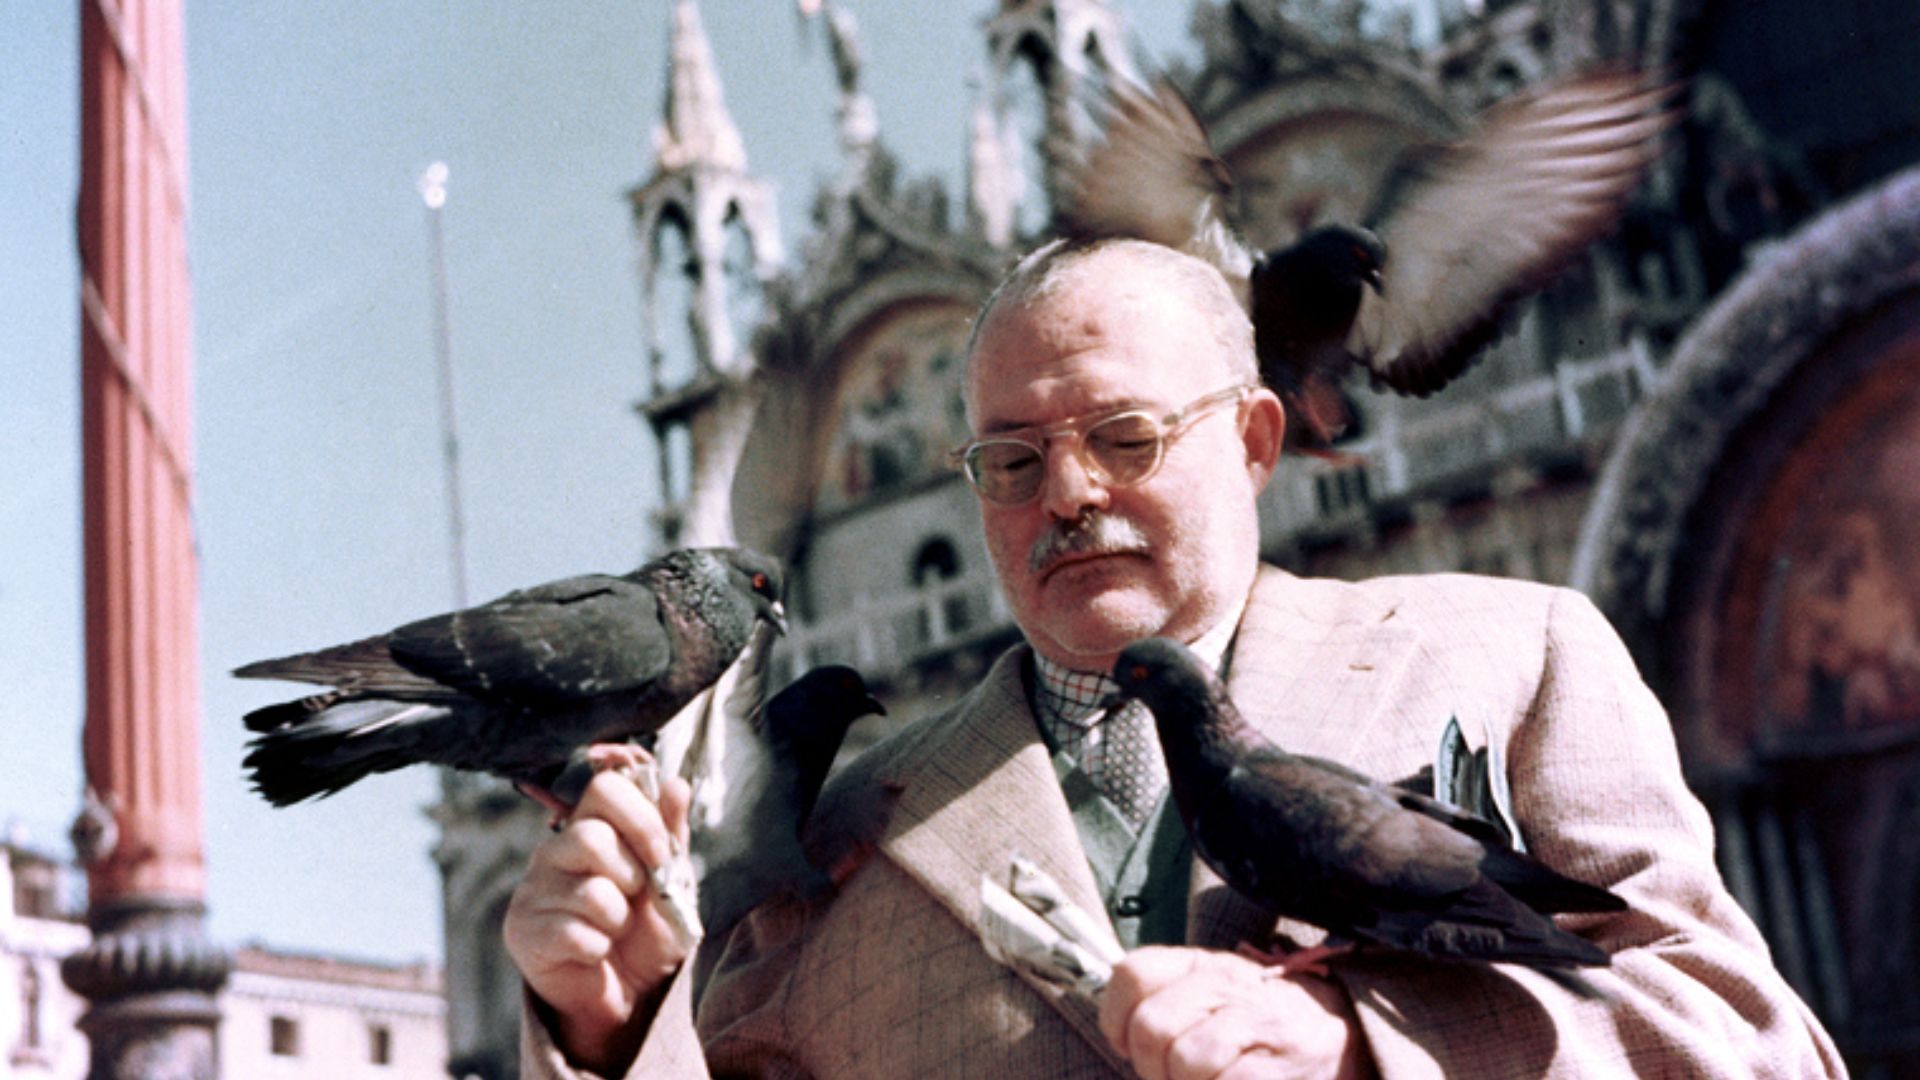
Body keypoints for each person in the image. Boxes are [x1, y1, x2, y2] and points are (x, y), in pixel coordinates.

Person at [507, 238, 1845, 1078]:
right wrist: (607, 1029)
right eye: (1012, 462)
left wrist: (1361, 1050)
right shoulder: (840, 828)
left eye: (1125, 438)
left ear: (1255, 441)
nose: (1068, 495)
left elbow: (1754, 1043)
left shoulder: (1514, 653)